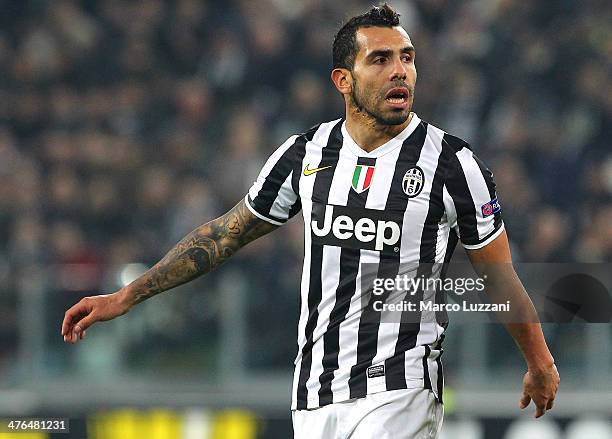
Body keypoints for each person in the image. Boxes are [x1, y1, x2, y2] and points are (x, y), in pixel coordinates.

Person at [62, 4, 559, 438]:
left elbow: (499, 275)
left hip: (401, 385)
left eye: (407, 57)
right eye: (381, 59)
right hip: (314, 391)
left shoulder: (453, 164)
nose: (400, 71)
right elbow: (224, 235)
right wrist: (129, 294)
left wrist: (538, 360)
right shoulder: (307, 154)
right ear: (344, 80)